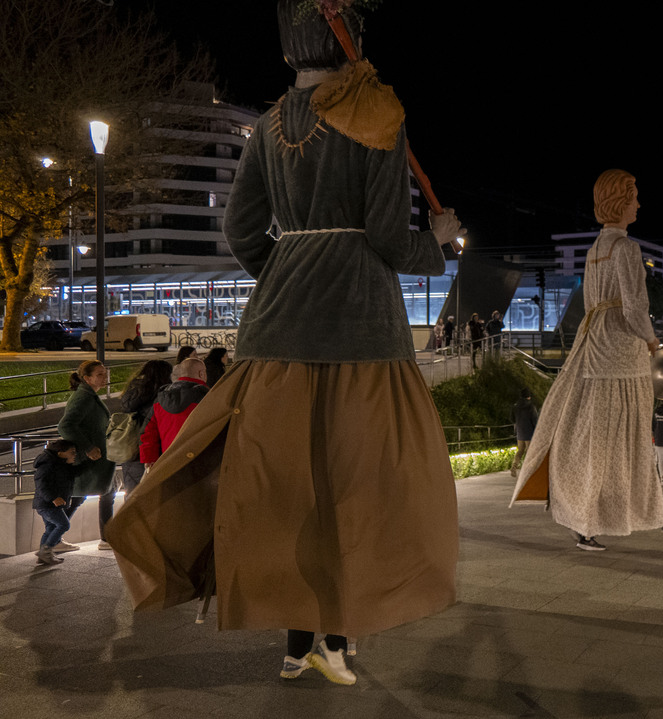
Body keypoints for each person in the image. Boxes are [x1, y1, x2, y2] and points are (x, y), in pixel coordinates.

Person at [107, 1, 462, 686]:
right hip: (362, 330)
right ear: (348, 33)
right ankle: (336, 637)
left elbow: (241, 231)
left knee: (287, 485)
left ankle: (297, 643)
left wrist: (290, 271)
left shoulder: (268, 126)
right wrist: (438, 241)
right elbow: (390, 238)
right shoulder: (379, 115)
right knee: (355, 487)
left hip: (277, 328)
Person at [510, 169, 662, 552]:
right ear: (619, 201)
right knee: (617, 442)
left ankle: (580, 513)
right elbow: (635, 307)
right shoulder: (626, 248)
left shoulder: (596, 248)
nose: (638, 204)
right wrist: (652, 340)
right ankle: (605, 516)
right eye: (634, 197)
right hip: (620, 354)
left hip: (592, 342)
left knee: (590, 438)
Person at [58, 359, 116, 549]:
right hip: (89, 459)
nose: (104, 377)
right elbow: (66, 425)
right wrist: (88, 447)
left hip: (96, 459)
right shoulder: (84, 397)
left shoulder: (88, 395)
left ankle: (106, 538)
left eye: (105, 373)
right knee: (81, 496)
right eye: (99, 374)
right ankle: (53, 538)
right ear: (87, 378)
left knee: (104, 492)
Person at [117, 359, 174, 497]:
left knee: (133, 494)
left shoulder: (131, 393)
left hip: (131, 450)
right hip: (151, 452)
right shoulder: (161, 398)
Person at [139, 359, 210, 465]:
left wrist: (149, 460)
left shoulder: (161, 399)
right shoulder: (207, 398)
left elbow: (147, 432)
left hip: (169, 463)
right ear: (202, 374)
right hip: (201, 462)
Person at [32, 439, 79, 565]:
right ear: (60, 453)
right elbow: (41, 485)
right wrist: (53, 498)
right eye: (72, 452)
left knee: (50, 528)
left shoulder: (61, 464)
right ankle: (46, 551)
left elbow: (76, 472)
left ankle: (43, 555)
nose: (75, 455)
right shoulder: (48, 464)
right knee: (64, 525)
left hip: (48, 504)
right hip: (47, 505)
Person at [510, 388, 538, 478]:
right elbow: (535, 420)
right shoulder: (531, 406)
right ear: (528, 396)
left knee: (520, 450)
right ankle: (526, 470)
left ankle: (514, 467)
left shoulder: (515, 406)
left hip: (520, 432)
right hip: (530, 433)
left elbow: (512, 419)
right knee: (528, 452)